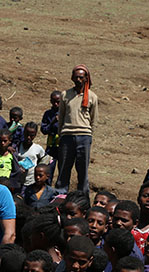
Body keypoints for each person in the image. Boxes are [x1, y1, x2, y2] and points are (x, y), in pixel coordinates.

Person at [56, 64, 98, 193]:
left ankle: (83, 198)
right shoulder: (65, 95)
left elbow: (93, 119)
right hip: (67, 135)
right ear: (72, 78)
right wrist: (61, 135)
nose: (78, 80)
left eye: (81, 77)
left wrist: (89, 135)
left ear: (86, 78)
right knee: (63, 169)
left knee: (82, 171)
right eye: (76, 77)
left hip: (84, 136)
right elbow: (61, 116)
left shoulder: (92, 97)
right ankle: (60, 196)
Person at [17, 122, 47, 189]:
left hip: (31, 181)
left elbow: (45, 159)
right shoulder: (17, 146)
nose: (28, 137)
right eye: (27, 134)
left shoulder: (37, 148)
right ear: (23, 132)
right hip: (18, 181)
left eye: (32, 135)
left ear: (35, 135)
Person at [41, 91, 61, 179]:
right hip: (51, 146)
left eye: (58, 102)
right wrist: (52, 122)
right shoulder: (48, 114)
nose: (56, 104)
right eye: (53, 102)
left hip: (62, 146)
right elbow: (44, 130)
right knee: (49, 167)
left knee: (63, 169)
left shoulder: (66, 113)